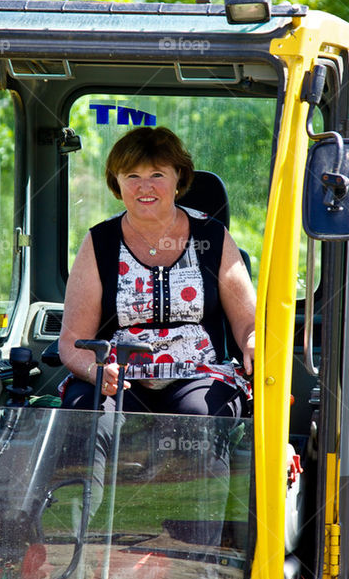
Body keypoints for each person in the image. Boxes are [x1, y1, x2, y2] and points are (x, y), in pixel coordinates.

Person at [58, 126, 256, 417]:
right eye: (132, 177)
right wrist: (96, 371)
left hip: (198, 374)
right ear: (118, 183)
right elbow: (72, 342)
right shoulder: (100, 241)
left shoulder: (211, 235)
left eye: (157, 175)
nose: (144, 187)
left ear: (179, 177)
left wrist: (252, 342)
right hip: (119, 377)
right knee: (87, 412)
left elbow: (248, 324)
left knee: (197, 414)